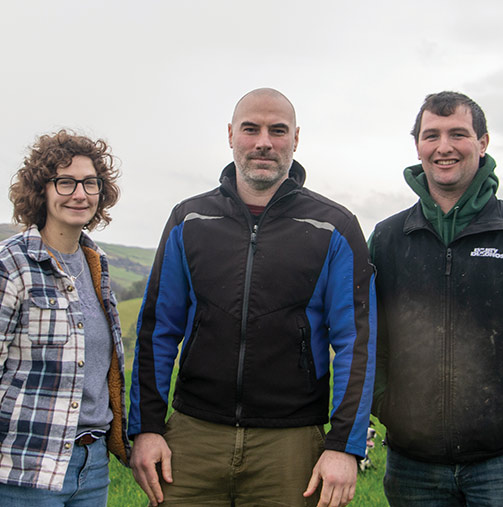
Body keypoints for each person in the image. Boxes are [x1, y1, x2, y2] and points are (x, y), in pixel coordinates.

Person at [128, 88, 375, 507]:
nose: (264, 141)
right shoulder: (188, 220)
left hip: (291, 444)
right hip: (194, 436)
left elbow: (357, 343)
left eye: (278, 131)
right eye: (251, 129)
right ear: (230, 135)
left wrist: (344, 446)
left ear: (296, 139)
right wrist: (147, 427)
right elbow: (157, 330)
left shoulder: (334, 226)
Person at [370, 91, 503, 506]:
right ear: (417, 145)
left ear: (483, 143)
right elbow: (364, 334)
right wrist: (387, 404)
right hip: (413, 467)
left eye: (458, 134)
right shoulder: (385, 239)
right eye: (431, 135)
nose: (444, 146)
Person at [0, 130, 131, 506]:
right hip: (26, 472)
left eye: (90, 183)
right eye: (65, 182)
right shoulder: (4, 264)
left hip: (92, 468)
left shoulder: (96, 264)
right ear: (41, 190)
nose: (80, 194)